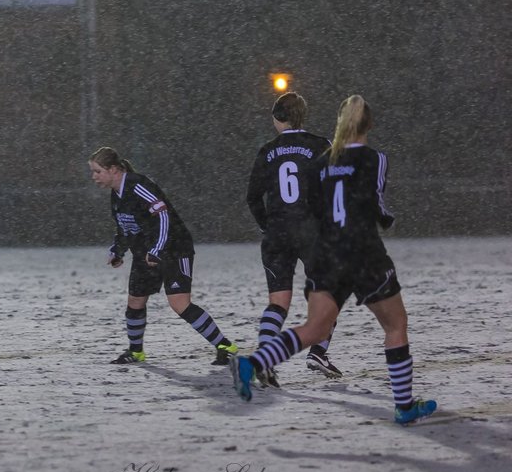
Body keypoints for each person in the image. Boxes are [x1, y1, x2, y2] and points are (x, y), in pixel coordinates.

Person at [230, 95, 437, 425]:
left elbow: (312, 202)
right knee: (395, 325)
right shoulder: (373, 158)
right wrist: (385, 220)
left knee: (313, 326)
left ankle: (254, 363)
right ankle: (404, 405)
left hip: (327, 252)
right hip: (362, 252)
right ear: (368, 124)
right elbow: (377, 207)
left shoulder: (320, 163)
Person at [88, 146, 238, 366]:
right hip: (146, 251)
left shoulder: (138, 185)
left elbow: (163, 215)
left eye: (97, 171)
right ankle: (136, 352)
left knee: (179, 303)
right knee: (135, 301)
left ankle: (226, 346)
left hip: (174, 247)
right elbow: (125, 226)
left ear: (113, 170)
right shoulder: (116, 195)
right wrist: (117, 250)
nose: (94, 177)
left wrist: (157, 249)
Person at [245, 91, 341, 387]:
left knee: (278, 303)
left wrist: (267, 226)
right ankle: (318, 352)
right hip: (311, 231)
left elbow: (252, 197)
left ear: (276, 119)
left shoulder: (267, 150)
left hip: (277, 233)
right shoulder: (320, 146)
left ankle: (265, 358)